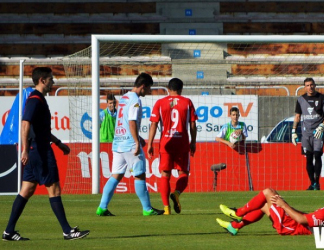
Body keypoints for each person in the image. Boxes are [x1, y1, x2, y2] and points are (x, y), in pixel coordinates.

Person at [2, 67, 90, 241]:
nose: (53, 82)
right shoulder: (35, 100)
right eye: (51, 79)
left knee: (26, 190)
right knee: (54, 189)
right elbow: (25, 124)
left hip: (36, 149)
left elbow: (40, 129)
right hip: (39, 151)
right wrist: (25, 149)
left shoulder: (38, 99)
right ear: (42, 80)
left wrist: (58, 143)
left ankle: (9, 231)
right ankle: (67, 231)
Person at [96, 73, 164, 217]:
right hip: (129, 144)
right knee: (140, 175)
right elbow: (132, 121)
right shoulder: (135, 100)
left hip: (118, 143)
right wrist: (136, 141)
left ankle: (102, 207)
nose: (150, 91)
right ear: (143, 86)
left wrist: (138, 136)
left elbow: (125, 121)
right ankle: (147, 209)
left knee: (116, 175)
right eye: (149, 88)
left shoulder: (124, 98)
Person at [216, 181, 324, 236]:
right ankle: (235, 226)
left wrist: (284, 205)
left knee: (268, 192)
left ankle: (238, 213)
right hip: (293, 223)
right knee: (264, 205)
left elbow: (302, 220)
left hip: (289, 226)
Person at [147, 78, 198, 215]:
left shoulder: (160, 103)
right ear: (181, 89)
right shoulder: (187, 102)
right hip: (182, 142)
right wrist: (193, 142)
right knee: (183, 173)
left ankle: (166, 209)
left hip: (166, 143)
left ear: (168, 89)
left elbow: (153, 124)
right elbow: (193, 124)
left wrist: (150, 144)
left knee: (165, 174)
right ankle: (176, 193)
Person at [292, 78, 324, 190]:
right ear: (305, 87)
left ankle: (317, 183)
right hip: (306, 134)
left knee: (317, 155)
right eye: (307, 85)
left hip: (318, 133)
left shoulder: (322, 98)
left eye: (311, 85)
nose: (310, 87)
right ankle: (312, 182)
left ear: (315, 85)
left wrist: (322, 125)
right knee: (308, 157)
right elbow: (297, 116)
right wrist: (293, 131)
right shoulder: (301, 99)